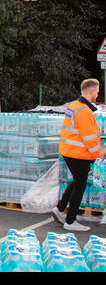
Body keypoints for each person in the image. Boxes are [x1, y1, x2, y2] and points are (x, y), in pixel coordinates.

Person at [51, 78, 106, 231]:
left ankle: (60, 208)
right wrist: (100, 154)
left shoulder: (74, 106)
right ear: (91, 92)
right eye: (97, 91)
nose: (98, 94)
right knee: (80, 185)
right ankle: (70, 221)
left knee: (76, 181)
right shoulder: (84, 112)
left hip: (69, 152)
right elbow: (88, 138)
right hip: (79, 154)